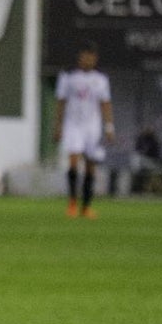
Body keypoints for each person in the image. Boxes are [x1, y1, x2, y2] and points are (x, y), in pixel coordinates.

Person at [54, 40, 114, 219]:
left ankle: (86, 206)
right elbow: (61, 102)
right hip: (73, 125)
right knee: (73, 161)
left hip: (92, 127)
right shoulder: (68, 77)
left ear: (95, 58)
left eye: (91, 57)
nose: (87, 60)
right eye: (84, 56)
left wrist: (109, 127)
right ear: (80, 58)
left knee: (90, 166)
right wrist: (57, 126)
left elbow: (105, 104)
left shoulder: (101, 80)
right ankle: (72, 202)